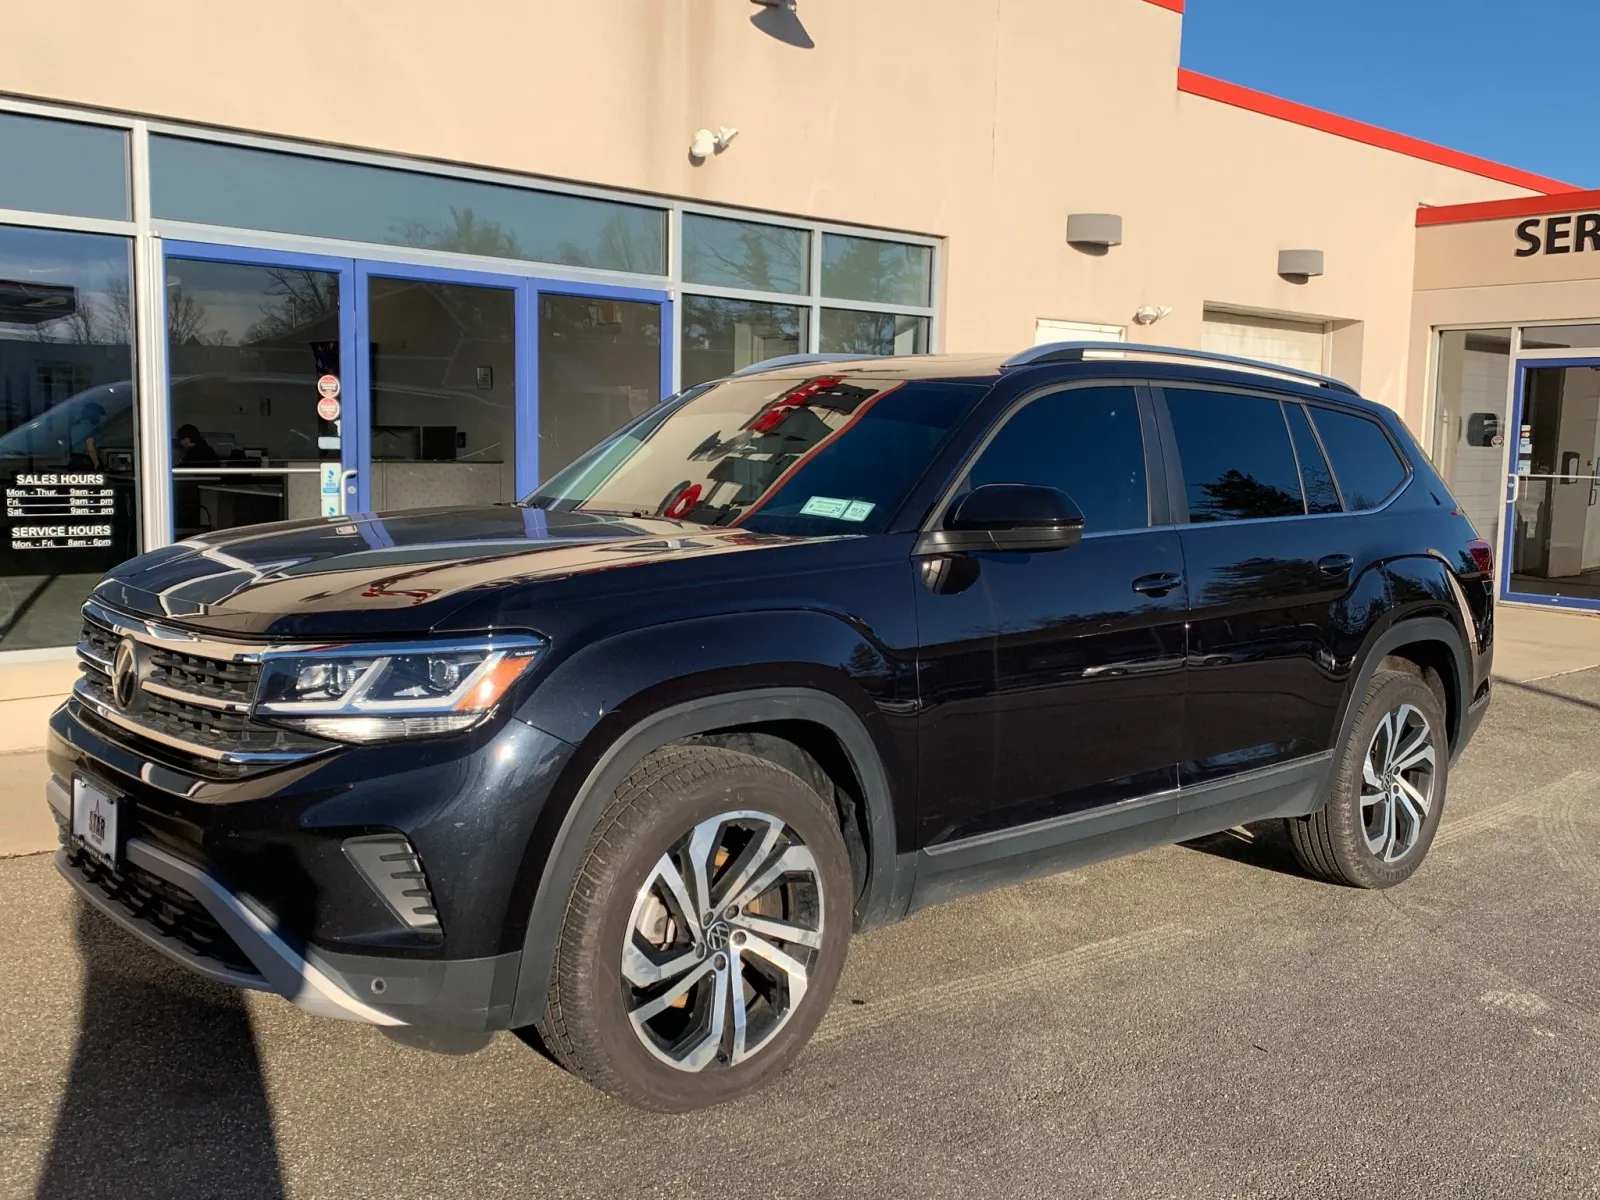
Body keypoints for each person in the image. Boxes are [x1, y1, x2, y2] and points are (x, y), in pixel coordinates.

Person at [68, 401, 104, 470]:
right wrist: (96, 463)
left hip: (74, 460)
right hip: (87, 462)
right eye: (99, 415)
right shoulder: (90, 428)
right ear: (95, 415)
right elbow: (90, 448)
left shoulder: (74, 427)